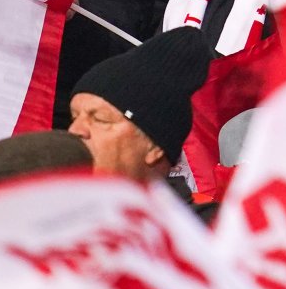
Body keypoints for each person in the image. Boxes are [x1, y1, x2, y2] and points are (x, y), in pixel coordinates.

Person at [67, 27, 213, 184]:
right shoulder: (49, 200)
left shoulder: (179, 209)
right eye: (74, 117)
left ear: (154, 148)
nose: (74, 130)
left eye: (100, 119)